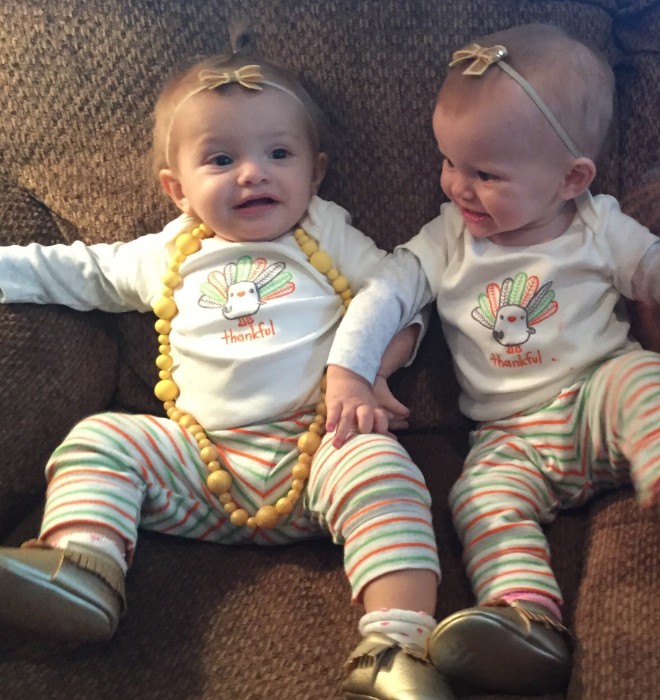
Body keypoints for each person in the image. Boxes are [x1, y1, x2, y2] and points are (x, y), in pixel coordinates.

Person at [0, 37, 455, 700]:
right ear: (177, 189)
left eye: (278, 154)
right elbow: (74, 271)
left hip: (318, 450)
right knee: (101, 436)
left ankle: (397, 643)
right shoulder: (166, 254)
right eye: (221, 158)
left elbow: (402, 293)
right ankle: (85, 569)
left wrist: (373, 372)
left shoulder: (326, 235)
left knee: (385, 471)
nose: (252, 173)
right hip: (197, 463)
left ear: (316, 172)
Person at [324, 22, 660, 696]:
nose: (457, 188)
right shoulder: (445, 241)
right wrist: (349, 371)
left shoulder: (598, 226)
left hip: (598, 400)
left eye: (485, 173)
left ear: (570, 179)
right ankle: (524, 622)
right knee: (478, 498)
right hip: (507, 438)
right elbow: (384, 294)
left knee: (645, 376)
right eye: (449, 163)